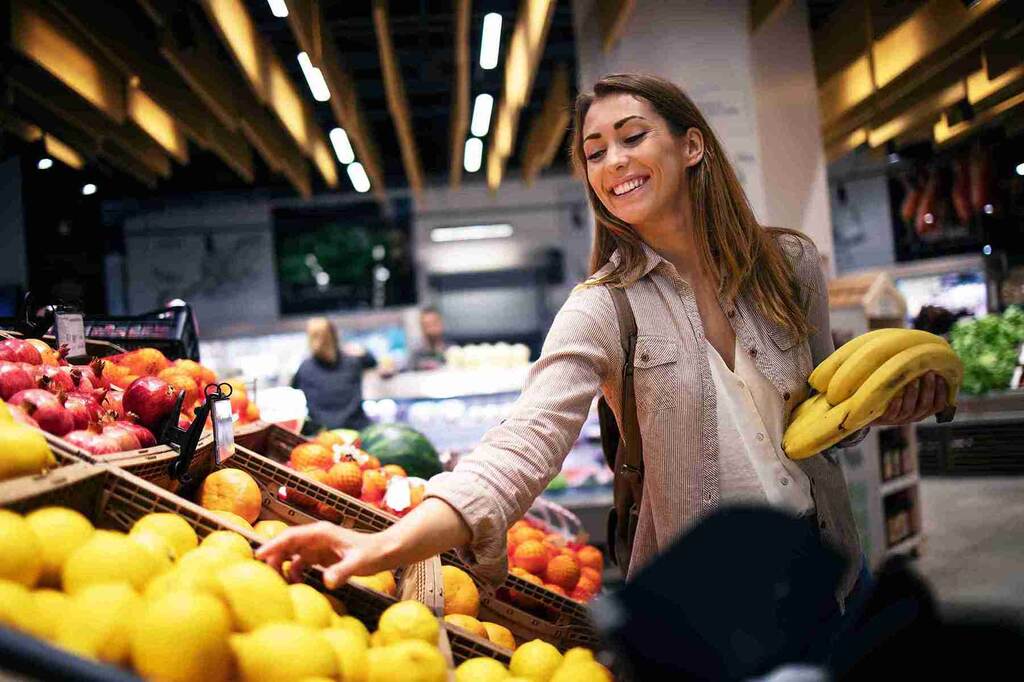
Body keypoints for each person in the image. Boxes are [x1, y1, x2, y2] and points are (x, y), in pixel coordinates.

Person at [259, 74, 948, 642]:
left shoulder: (788, 266)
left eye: (631, 137)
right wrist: (388, 542)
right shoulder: (603, 309)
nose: (612, 161)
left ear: (692, 146)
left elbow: (822, 416)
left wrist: (892, 405)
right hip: (700, 605)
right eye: (594, 151)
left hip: (821, 568)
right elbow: (524, 445)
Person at [291, 317, 378, 434]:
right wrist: (361, 350)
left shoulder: (304, 368)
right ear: (335, 335)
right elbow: (372, 361)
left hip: (322, 434)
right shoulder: (352, 361)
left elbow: (292, 390)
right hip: (357, 430)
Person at [409, 306, 448, 371]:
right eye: (427, 325)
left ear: (441, 324)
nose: (430, 329)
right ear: (421, 327)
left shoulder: (452, 351)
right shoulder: (416, 356)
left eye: (434, 324)